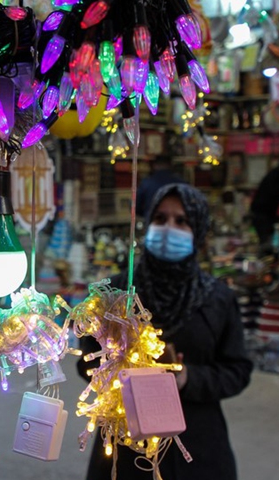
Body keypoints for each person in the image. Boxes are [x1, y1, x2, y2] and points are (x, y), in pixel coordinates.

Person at [78, 183, 252, 480]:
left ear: (198, 231)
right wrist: (119, 371)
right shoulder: (117, 293)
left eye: (181, 220)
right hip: (126, 447)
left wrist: (188, 378)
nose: (169, 228)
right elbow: (86, 359)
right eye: (160, 218)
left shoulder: (218, 298)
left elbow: (237, 370)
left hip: (197, 448)